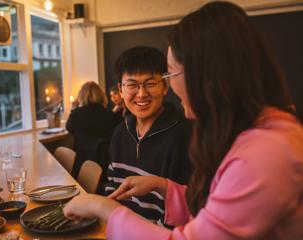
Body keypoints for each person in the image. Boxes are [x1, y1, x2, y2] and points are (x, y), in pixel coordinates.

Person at [63, 2, 303, 239]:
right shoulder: (251, 131)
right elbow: (213, 211)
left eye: (170, 72)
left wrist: (102, 208)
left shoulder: (266, 151)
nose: (144, 93)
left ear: (207, 75)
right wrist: (163, 186)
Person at [104, 46, 192, 225]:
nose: (142, 93)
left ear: (165, 86)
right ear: (121, 90)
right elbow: (111, 187)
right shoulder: (120, 132)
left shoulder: (183, 135)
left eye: (151, 84)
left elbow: (184, 210)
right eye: (132, 85)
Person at [66, 81, 116, 177]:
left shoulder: (77, 113)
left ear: (81, 96)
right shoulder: (108, 113)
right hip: (105, 162)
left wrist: (73, 109)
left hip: (82, 162)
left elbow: (69, 128)